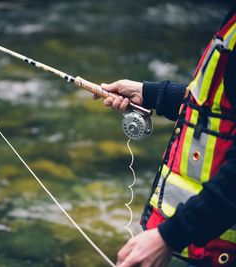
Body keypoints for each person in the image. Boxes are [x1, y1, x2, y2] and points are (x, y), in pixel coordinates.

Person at [95, 7, 236, 267]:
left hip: (213, 249)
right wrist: (151, 94)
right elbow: (216, 108)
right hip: (201, 244)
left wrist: (170, 236)